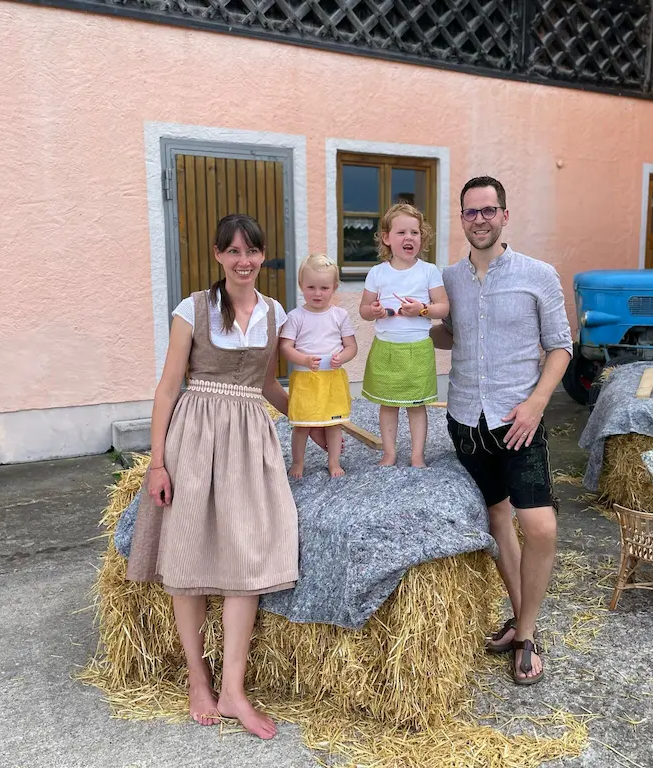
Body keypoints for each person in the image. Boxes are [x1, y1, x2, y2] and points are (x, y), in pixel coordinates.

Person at [125, 213, 330, 737]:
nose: (244, 261)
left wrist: (314, 423)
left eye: (252, 252)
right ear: (218, 255)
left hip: (249, 441)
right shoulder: (191, 309)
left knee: (250, 549)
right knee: (188, 550)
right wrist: (157, 461)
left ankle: (234, 689)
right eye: (233, 251)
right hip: (194, 435)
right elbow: (168, 388)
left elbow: (267, 385)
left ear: (263, 257)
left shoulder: (273, 311)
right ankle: (199, 677)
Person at [431, 176, 572, 686]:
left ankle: (528, 630)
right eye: (470, 212)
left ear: (505, 216)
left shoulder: (539, 275)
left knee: (540, 527)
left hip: (519, 421)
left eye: (488, 210)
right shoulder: (449, 278)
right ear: (462, 220)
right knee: (496, 518)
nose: (480, 220)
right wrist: (420, 322)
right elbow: (447, 335)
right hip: (467, 419)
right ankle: (520, 624)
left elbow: (561, 347)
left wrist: (537, 403)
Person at [359, 203, 449, 468]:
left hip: (417, 349)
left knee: (416, 405)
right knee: (387, 405)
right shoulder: (377, 273)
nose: (409, 237)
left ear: (422, 238)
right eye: (401, 232)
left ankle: (417, 455)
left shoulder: (428, 270)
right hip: (386, 348)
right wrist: (374, 310)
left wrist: (422, 310)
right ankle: (389, 454)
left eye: (415, 232)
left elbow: (443, 306)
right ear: (387, 238)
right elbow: (364, 310)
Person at [280, 253, 358, 479]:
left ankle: (333, 462)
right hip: (306, 379)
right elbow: (285, 347)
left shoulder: (340, 315)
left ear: (334, 287)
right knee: (302, 425)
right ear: (301, 285)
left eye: (324, 288)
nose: (317, 293)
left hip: (332, 378)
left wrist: (341, 358)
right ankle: (298, 462)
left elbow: (351, 347)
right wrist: (303, 359)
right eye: (311, 287)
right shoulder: (295, 316)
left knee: (334, 424)